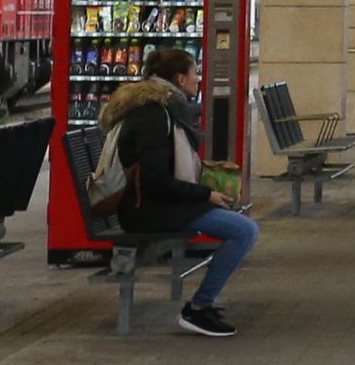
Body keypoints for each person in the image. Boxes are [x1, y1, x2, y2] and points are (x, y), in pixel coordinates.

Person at [104, 47, 253, 337]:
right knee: (244, 231)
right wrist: (205, 195)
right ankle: (198, 309)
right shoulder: (154, 116)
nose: (199, 79)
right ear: (180, 79)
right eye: (195, 72)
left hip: (154, 204)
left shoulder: (161, 109)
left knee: (241, 226)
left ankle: (202, 305)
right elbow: (154, 181)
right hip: (148, 210)